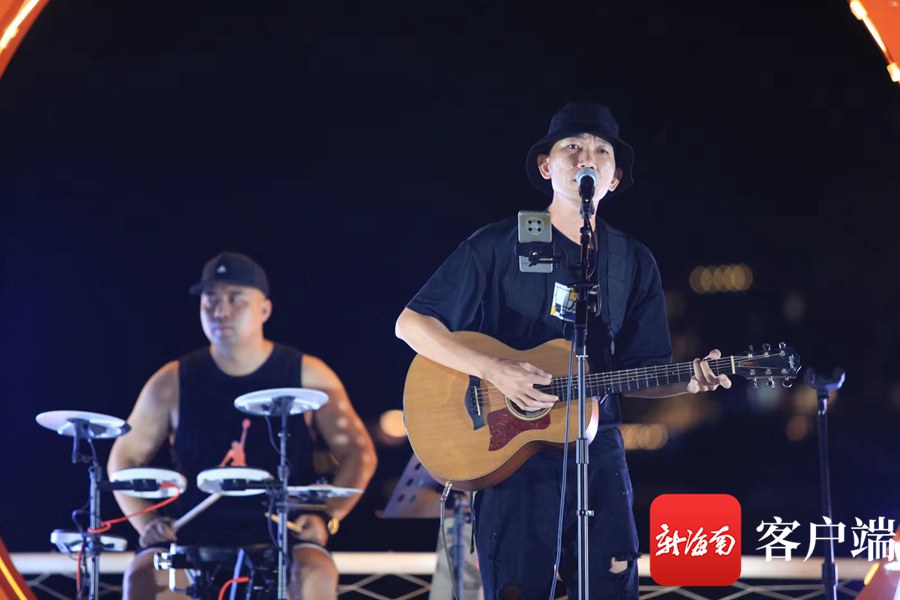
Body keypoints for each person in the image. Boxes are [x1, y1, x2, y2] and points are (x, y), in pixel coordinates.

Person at [395, 101, 731, 599]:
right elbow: (411, 324)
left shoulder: (632, 261)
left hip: (599, 449)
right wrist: (496, 370)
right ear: (545, 166)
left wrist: (690, 379)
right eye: (571, 147)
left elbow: (642, 371)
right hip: (507, 447)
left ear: (615, 178)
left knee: (611, 585)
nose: (586, 158)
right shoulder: (500, 243)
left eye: (601, 151)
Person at [108, 252, 377, 600]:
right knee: (143, 577)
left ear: (264, 309)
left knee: (315, 574)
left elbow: (359, 452)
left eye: (235, 299)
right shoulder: (171, 380)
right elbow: (123, 458)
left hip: (284, 533)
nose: (221, 311)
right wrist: (147, 524)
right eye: (210, 300)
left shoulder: (308, 374)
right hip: (192, 533)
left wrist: (328, 517)